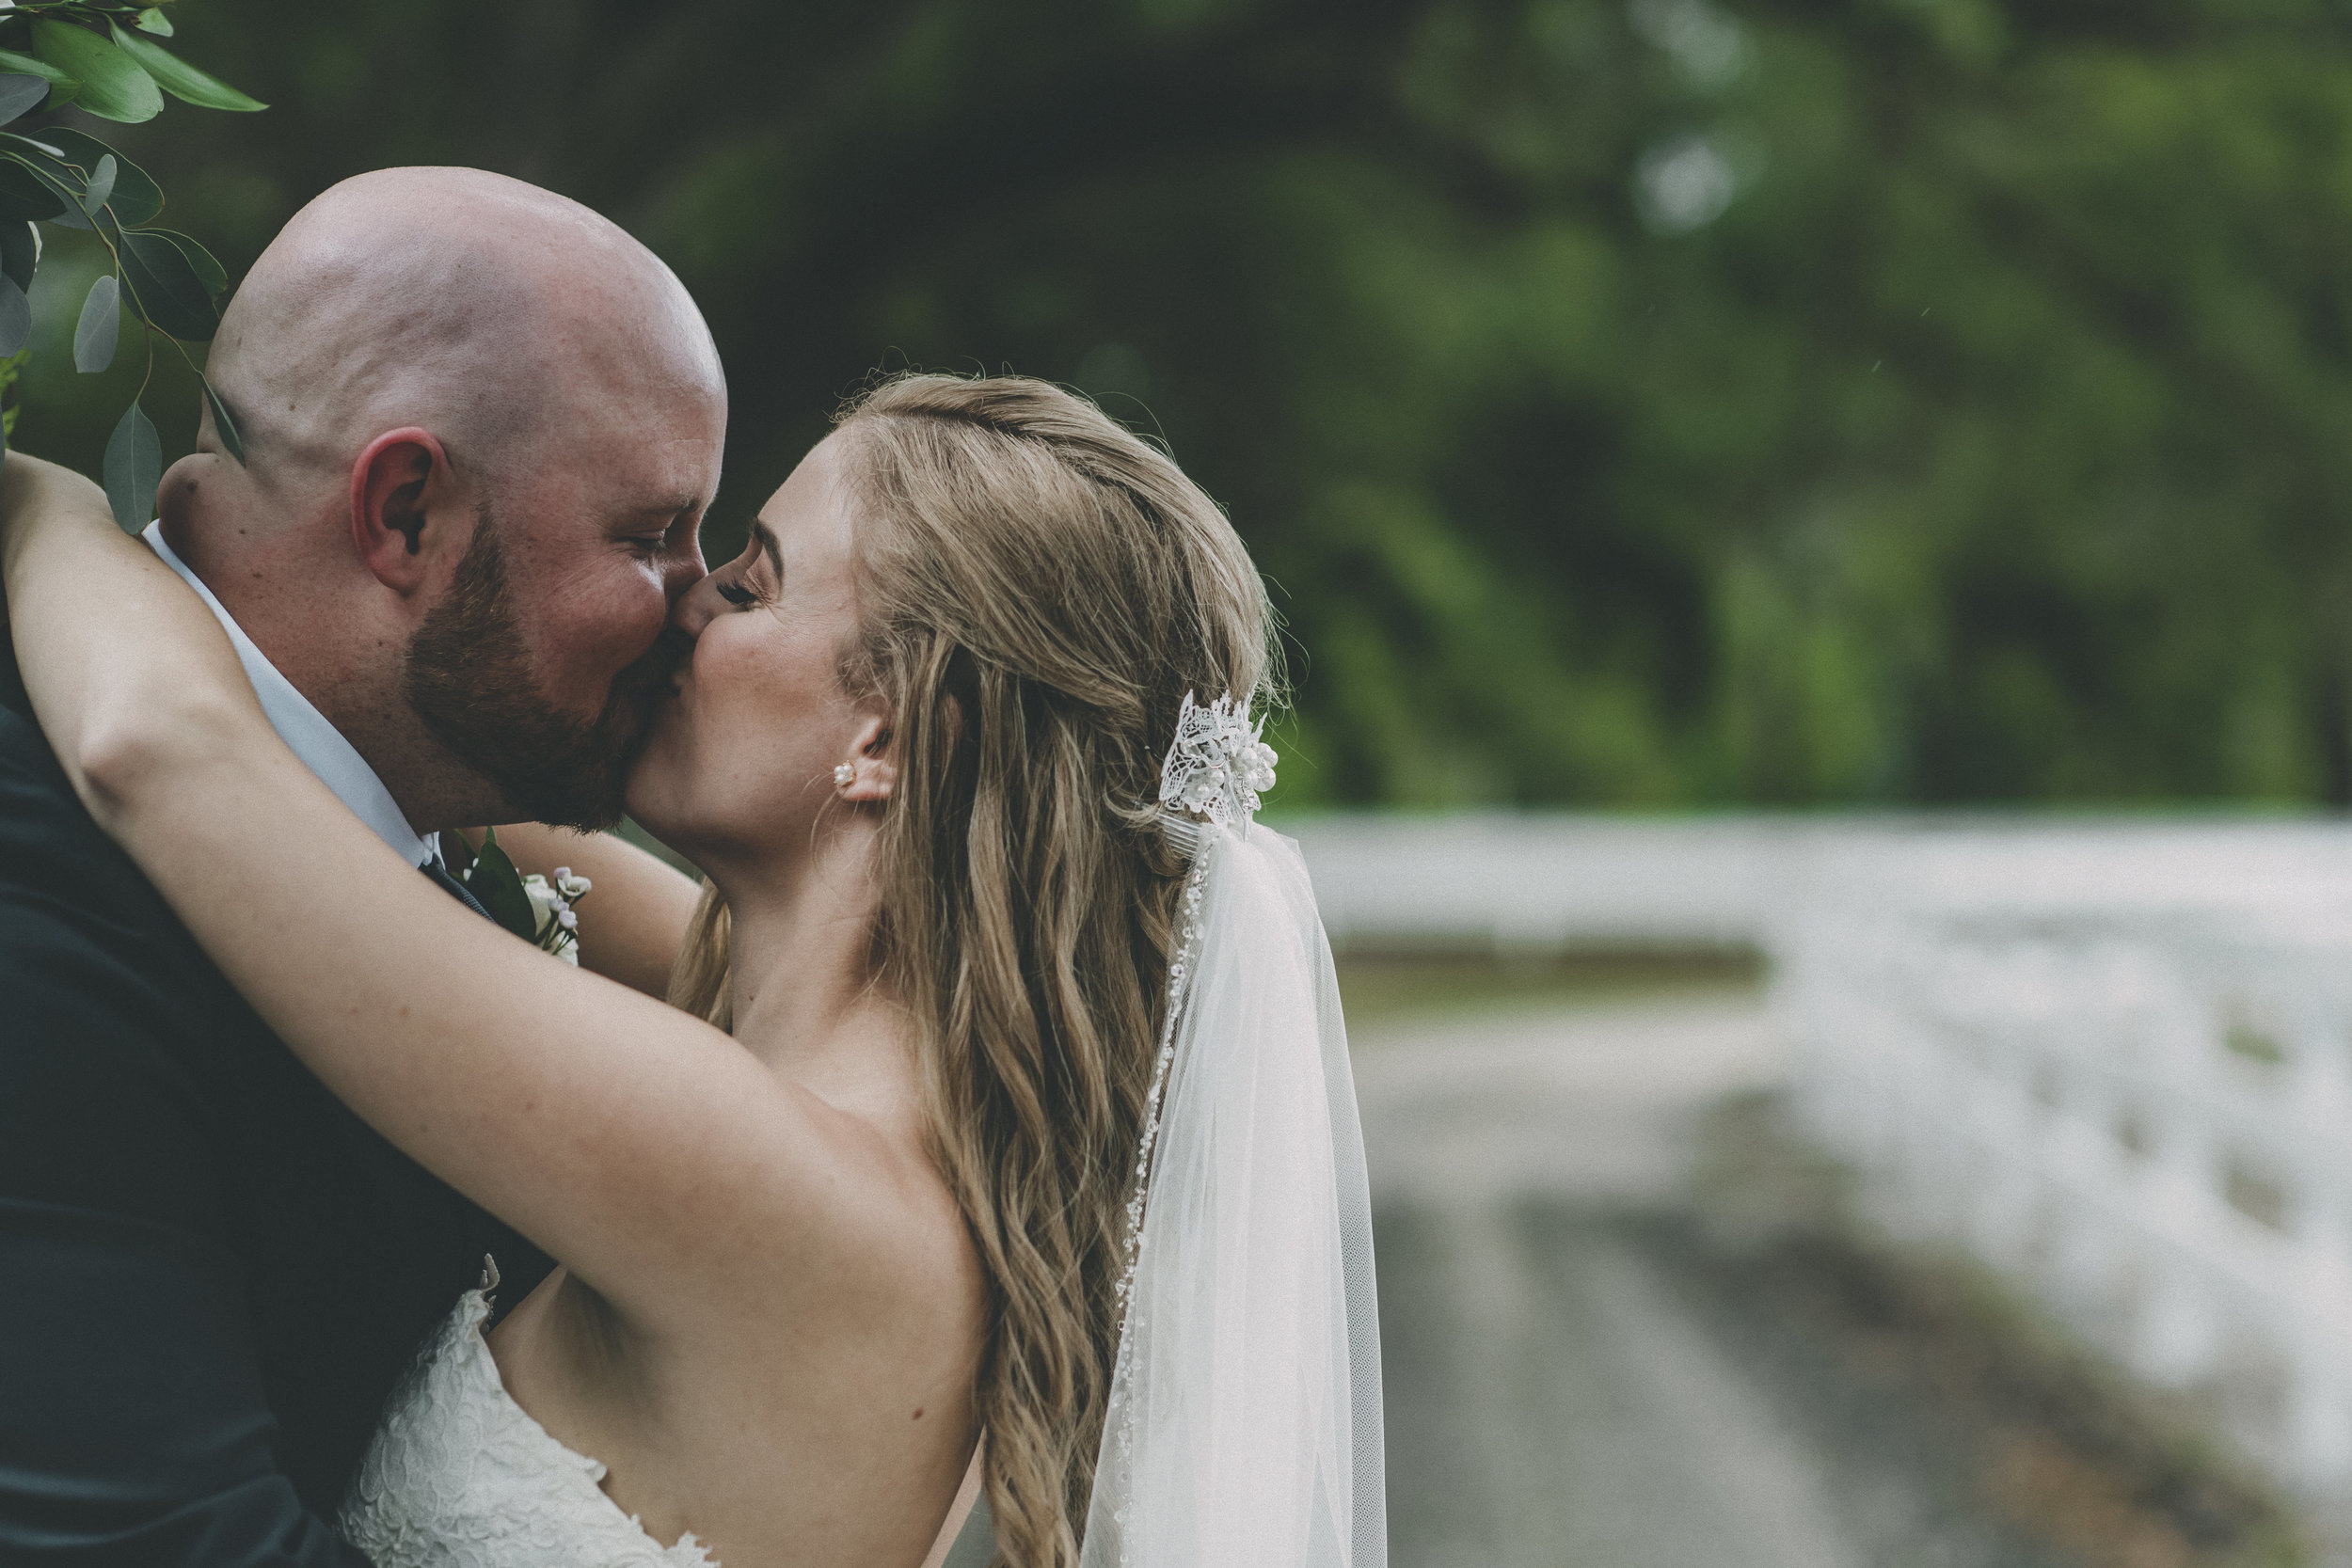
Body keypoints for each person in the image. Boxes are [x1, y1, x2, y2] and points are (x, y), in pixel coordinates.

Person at [2, 372, 1386, 1566]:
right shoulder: (834, 1070)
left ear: (895, 742)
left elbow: (166, 752)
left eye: (754, 581)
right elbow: (423, 770)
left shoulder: (785, 1191)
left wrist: (42, 502)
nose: (680, 611)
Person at [0, 166, 726, 1563]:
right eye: (648, 537)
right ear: (404, 514)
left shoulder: (433, 825)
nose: (696, 610)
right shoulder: (42, 888)